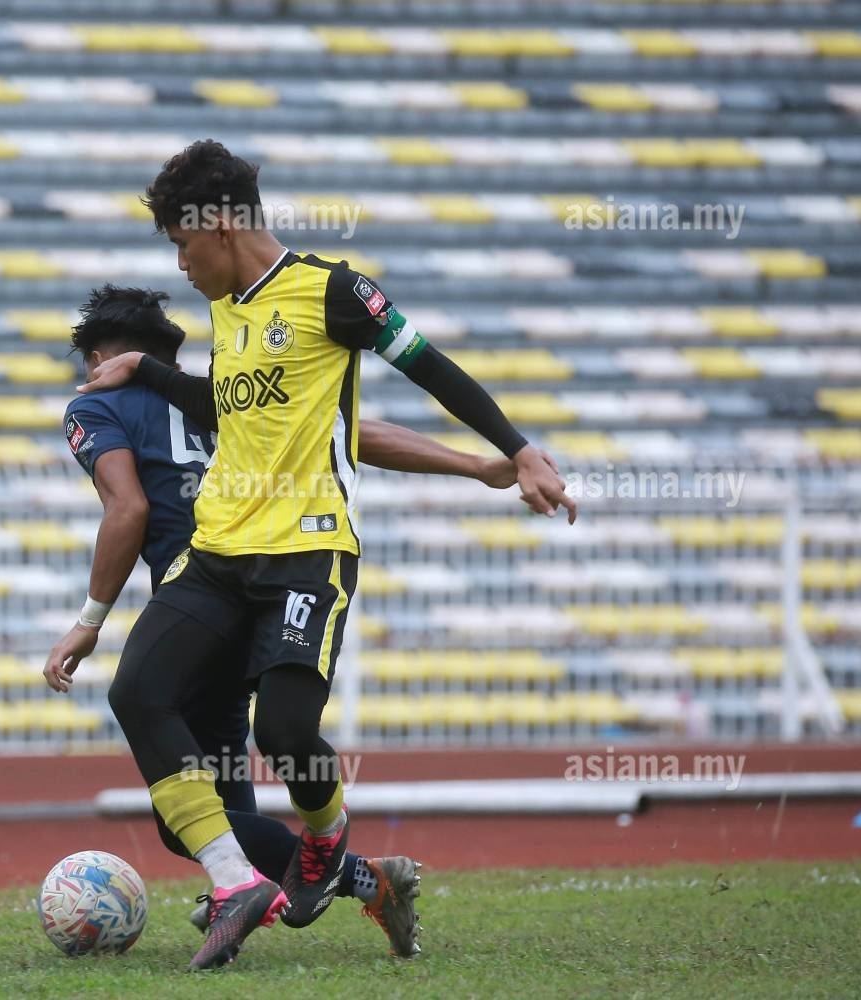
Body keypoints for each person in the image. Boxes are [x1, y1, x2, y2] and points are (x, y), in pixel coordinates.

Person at [81, 140, 576, 969]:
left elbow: (429, 366)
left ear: (221, 226)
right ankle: (234, 883)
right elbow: (228, 406)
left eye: (183, 244)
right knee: (138, 691)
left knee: (284, 731)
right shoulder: (230, 310)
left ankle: (329, 834)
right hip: (217, 553)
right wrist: (145, 370)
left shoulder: (334, 293)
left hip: (306, 555)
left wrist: (517, 451)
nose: (180, 264)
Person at [45, 283, 527, 958]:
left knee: (178, 811)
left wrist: (89, 619)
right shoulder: (225, 393)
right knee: (223, 777)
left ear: (99, 358)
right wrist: (473, 464)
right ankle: (249, 892)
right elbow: (348, 432)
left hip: (201, 594)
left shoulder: (95, 404)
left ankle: (344, 879)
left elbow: (128, 508)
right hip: (268, 584)